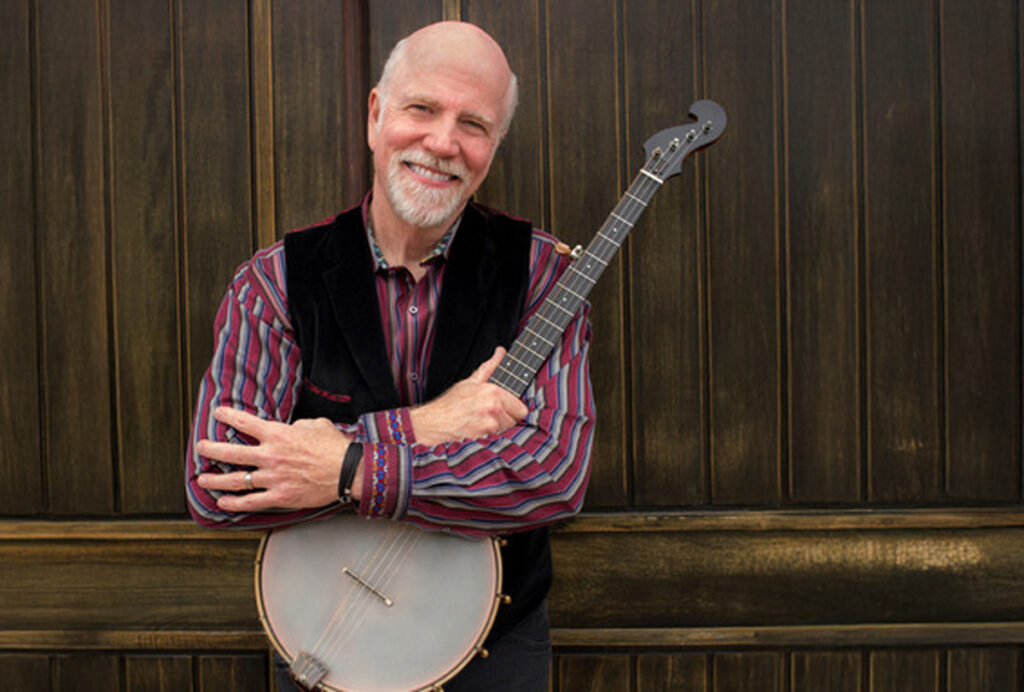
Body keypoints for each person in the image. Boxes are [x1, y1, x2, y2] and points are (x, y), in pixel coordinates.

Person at [185, 20, 594, 692]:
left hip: (499, 652)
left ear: (494, 146)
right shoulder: (274, 283)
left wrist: (345, 469)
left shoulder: (546, 275)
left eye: (474, 124)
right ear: (377, 115)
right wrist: (424, 428)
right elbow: (217, 488)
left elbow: (551, 474)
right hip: (329, 645)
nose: (443, 142)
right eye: (422, 108)